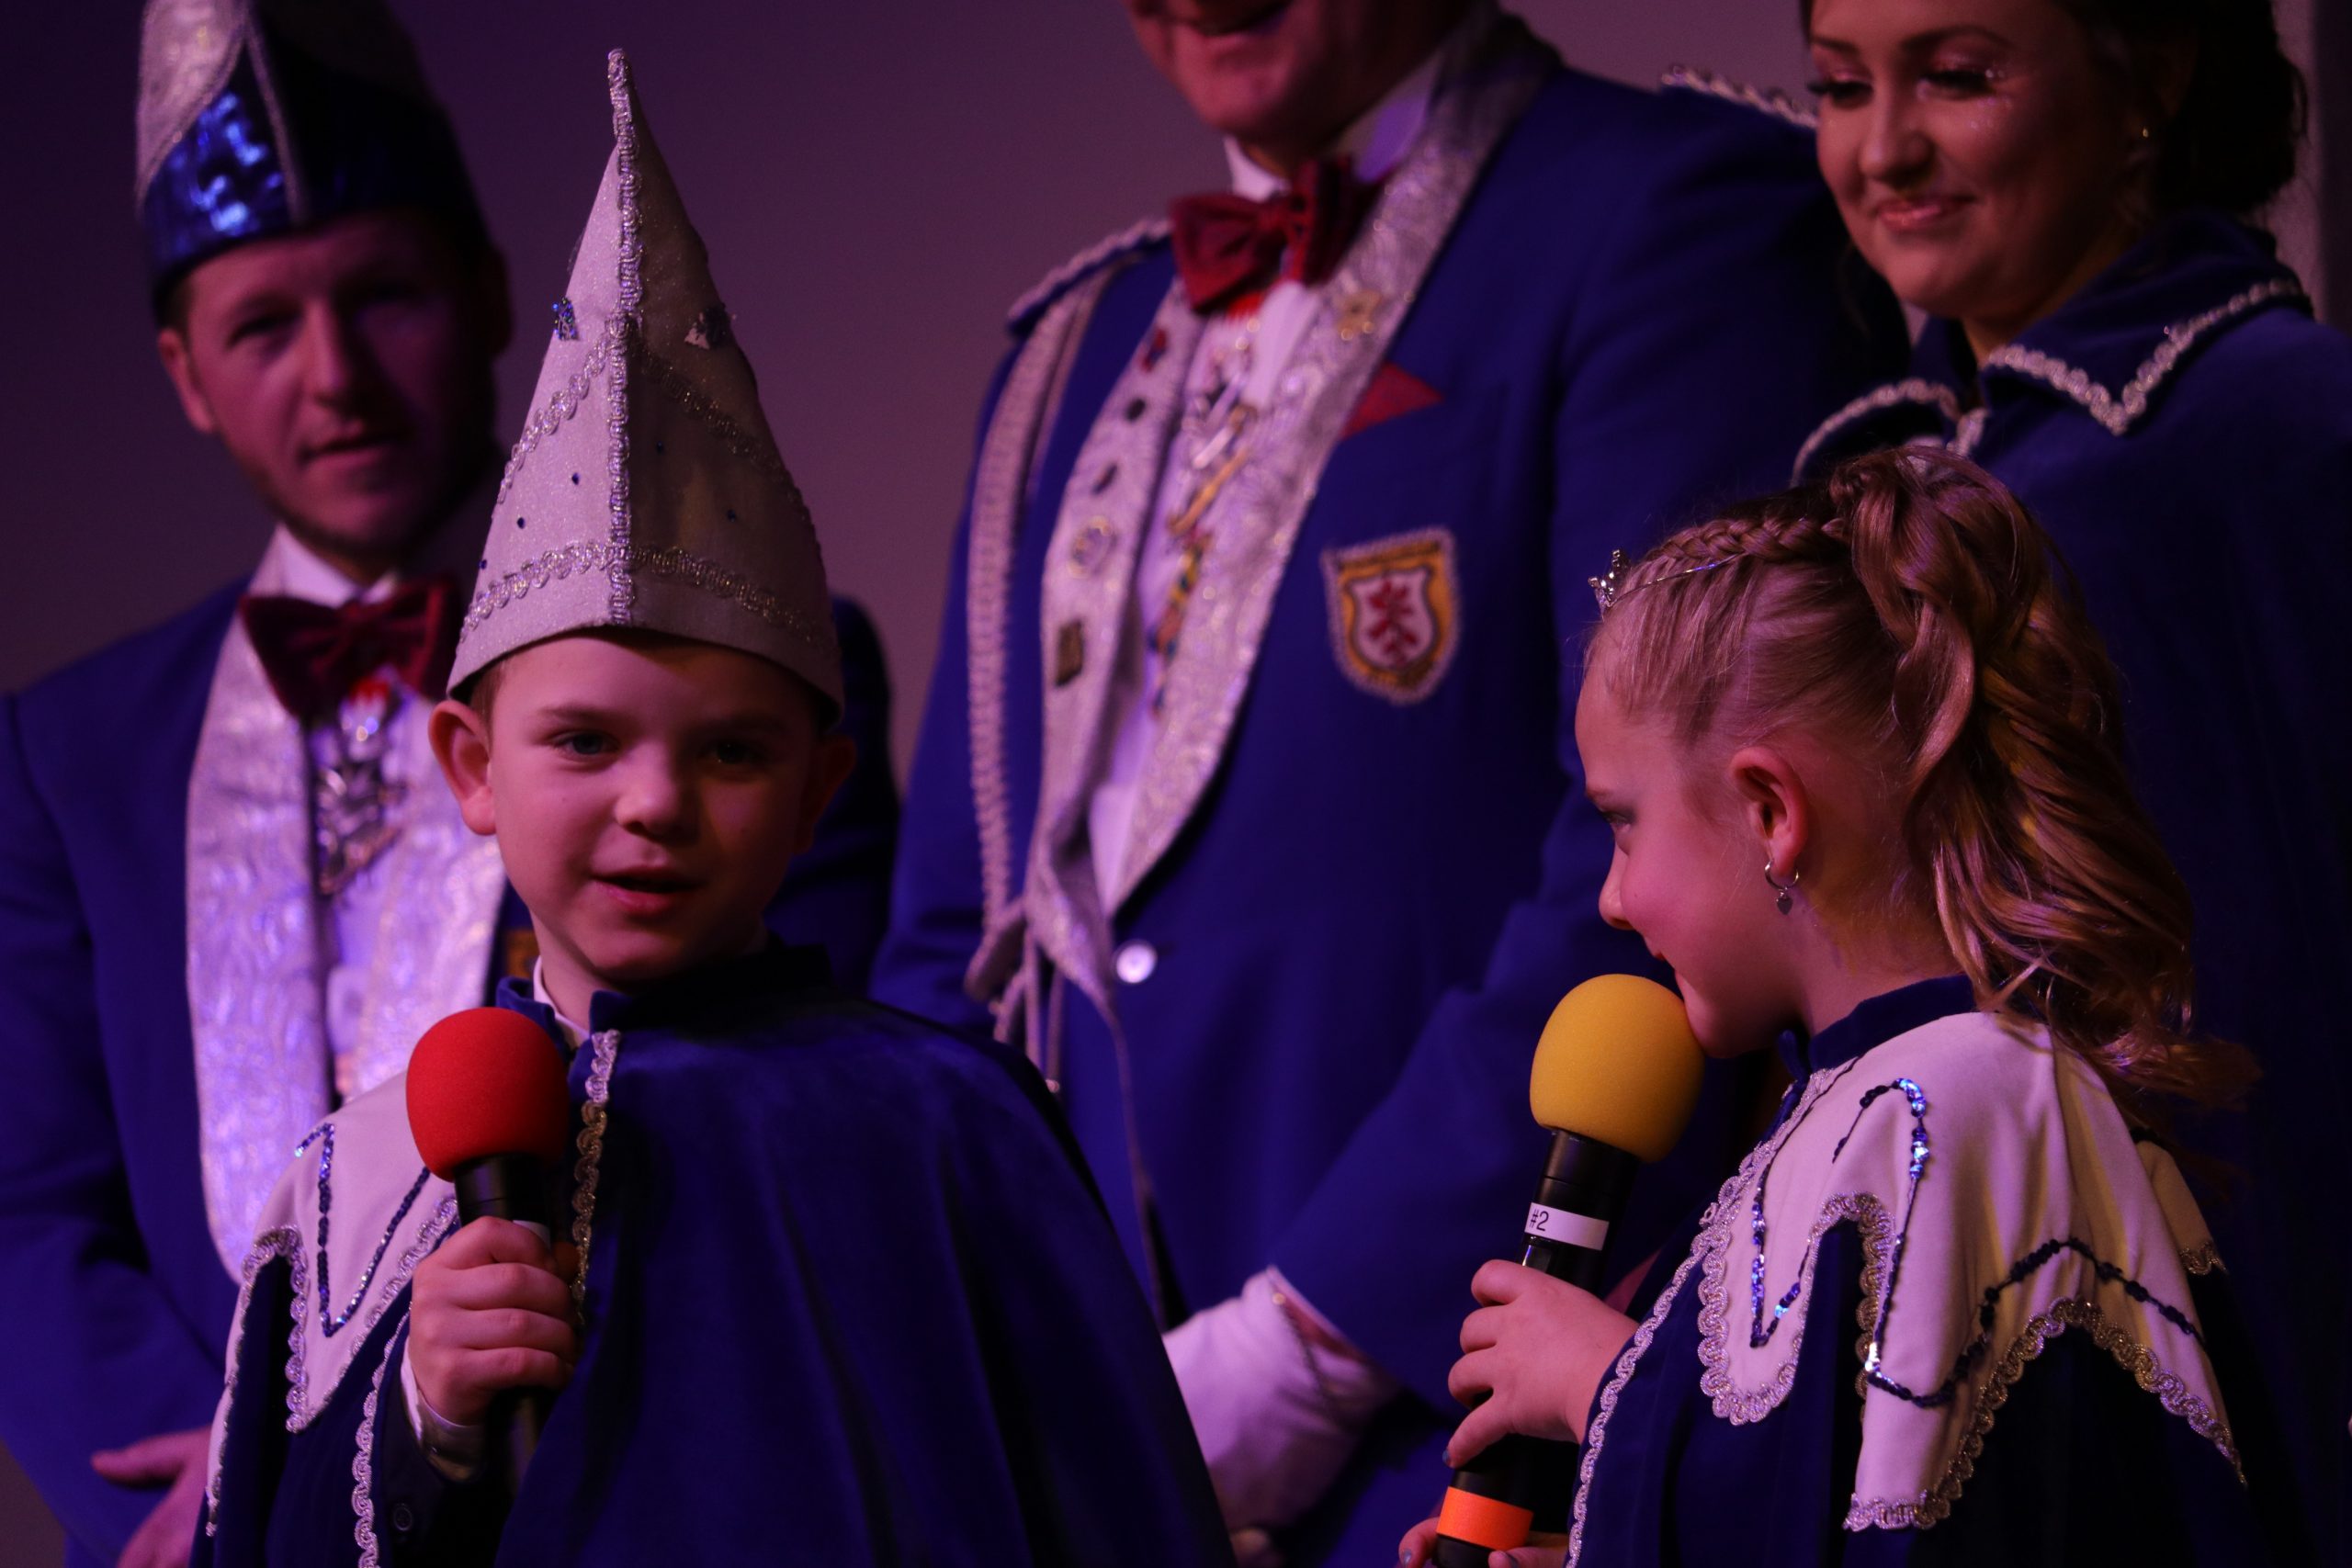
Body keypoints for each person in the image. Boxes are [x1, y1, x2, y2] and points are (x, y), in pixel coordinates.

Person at [874, 0, 1906, 1555]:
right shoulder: (1067, 348)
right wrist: (993, 1362)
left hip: (1448, 1413)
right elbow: (957, 931)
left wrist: (1297, 1351)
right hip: (1078, 1437)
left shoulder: (1671, 215)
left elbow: (1688, 847)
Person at [192, 51, 1230, 1567]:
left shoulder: (948, 1125)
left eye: (733, 752)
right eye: (585, 741)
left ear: (819, 789)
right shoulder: (362, 1184)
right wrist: (426, 1413)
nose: (656, 804)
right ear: (471, 766)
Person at [0, 4, 896, 1563]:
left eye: (385, 296)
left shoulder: (746, 673)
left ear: (487, 292)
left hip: (623, 1474)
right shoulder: (72, 750)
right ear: (185, 373)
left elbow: (789, 1104)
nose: (336, 376)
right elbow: (28, 1201)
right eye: (261, 327)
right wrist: (233, 1466)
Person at [1403, 450, 2301, 1567]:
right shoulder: (1849, 1109)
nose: (1611, 899)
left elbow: (1955, 1532)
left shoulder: (1962, 1097)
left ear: (1768, 811)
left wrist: (1602, 1387)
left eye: (1624, 824)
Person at [1788, 0, 2352, 1550]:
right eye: (1839, 86)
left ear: (2150, 74)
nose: (1885, 149)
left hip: (2238, 1319)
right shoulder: (1883, 470)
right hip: (1973, 1303)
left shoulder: (2271, 426)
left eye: (1959, 77)